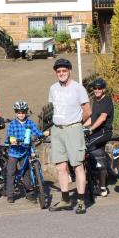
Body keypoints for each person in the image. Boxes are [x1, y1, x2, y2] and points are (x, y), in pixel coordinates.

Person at [48, 58, 91, 214]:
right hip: (57, 130)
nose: (61, 73)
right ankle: (65, 199)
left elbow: (87, 110)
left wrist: (77, 123)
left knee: (77, 165)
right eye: (58, 71)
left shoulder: (78, 88)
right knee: (60, 166)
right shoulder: (53, 88)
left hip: (73, 129)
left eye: (64, 70)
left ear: (69, 71)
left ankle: (80, 201)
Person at [5, 101, 48, 204]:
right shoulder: (12, 124)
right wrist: (11, 139)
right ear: (16, 113)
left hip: (25, 151)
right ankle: (10, 194)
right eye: (19, 112)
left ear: (26, 112)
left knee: (27, 173)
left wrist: (43, 134)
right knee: (11, 172)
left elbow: (36, 132)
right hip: (14, 151)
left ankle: (29, 194)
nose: (21, 114)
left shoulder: (30, 123)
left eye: (23, 112)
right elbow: (9, 136)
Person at [83, 78, 114, 197]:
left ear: (103, 89)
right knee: (98, 156)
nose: (96, 90)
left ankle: (97, 179)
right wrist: (81, 126)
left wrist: (90, 129)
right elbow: (92, 119)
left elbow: (102, 118)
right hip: (95, 132)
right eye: (95, 88)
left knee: (88, 146)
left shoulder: (107, 101)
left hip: (103, 132)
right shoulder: (96, 101)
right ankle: (100, 184)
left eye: (99, 88)